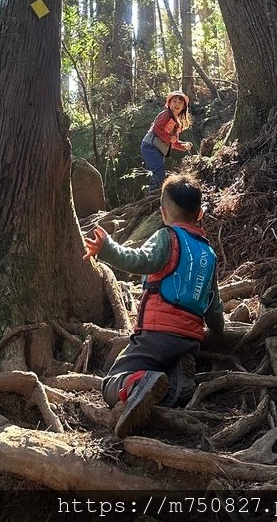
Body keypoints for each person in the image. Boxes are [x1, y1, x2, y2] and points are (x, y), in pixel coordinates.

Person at [84, 174, 224, 438]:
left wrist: (107, 249)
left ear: (162, 212)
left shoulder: (167, 238)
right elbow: (213, 303)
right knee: (167, 378)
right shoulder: (209, 254)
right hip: (191, 340)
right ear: (201, 214)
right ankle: (177, 378)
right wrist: (220, 330)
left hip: (157, 335)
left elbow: (140, 260)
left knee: (110, 383)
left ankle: (137, 382)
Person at [141, 91, 193, 192]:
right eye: (174, 101)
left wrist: (182, 146)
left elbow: (172, 142)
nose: (177, 104)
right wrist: (170, 138)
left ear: (183, 107)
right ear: (169, 103)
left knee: (156, 172)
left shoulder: (176, 121)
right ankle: (155, 194)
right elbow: (157, 128)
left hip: (158, 148)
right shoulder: (166, 115)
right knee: (158, 171)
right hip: (150, 146)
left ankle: (155, 192)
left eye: (180, 103)